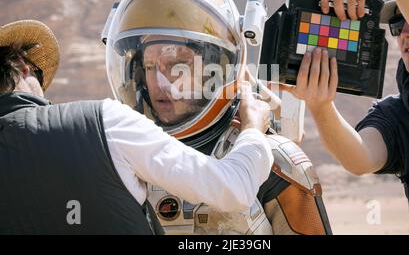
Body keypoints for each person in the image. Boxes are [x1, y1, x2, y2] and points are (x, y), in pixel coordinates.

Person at [103, 0, 332, 234]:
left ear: (213, 68)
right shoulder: (119, 158)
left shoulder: (278, 163)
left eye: (177, 64)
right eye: (151, 66)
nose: (161, 82)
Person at [0, 19, 274, 234]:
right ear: (24, 67)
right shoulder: (103, 121)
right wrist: (252, 128)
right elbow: (233, 188)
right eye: (150, 66)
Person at [289, 0, 409, 234]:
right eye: (399, 25)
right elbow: (360, 158)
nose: (406, 34)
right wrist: (321, 106)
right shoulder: (397, 114)